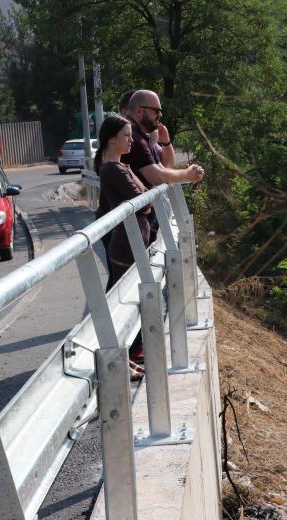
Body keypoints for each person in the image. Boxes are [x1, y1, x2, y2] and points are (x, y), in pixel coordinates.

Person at [95, 114, 151, 380]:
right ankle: (117, 361)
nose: (131, 140)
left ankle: (121, 359)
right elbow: (144, 202)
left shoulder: (121, 166)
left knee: (122, 306)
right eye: (127, 136)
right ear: (111, 139)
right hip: (126, 246)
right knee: (121, 308)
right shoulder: (113, 169)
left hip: (132, 243)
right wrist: (145, 200)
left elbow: (144, 198)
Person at [122, 89, 204, 188]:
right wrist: (187, 174)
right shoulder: (134, 138)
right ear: (139, 111)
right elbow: (157, 178)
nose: (160, 115)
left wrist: (189, 174)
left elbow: (163, 170)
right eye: (156, 111)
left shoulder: (141, 137)